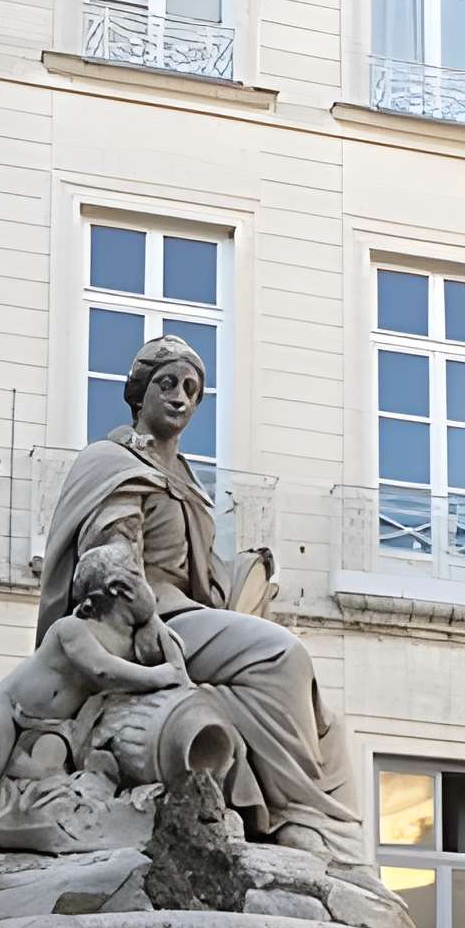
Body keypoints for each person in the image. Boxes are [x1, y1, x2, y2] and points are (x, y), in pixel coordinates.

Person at [36, 334, 367, 865]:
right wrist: (140, 610)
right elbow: (108, 560)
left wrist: (245, 576)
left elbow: (201, 575)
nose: (180, 397)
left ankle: (315, 826)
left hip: (189, 614)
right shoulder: (111, 462)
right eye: (167, 384)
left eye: (192, 388)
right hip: (144, 624)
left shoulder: (187, 478)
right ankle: (297, 817)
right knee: (283, 656)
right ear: (139, 393)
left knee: (325, 717)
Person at [0, 541, 186, 852]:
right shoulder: (71, 629)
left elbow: (176, 653)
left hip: (59, 725)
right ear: (120, 588)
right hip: (11, 708)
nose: (152, 590)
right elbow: (102, 670)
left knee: (50, 776)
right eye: (140, 575)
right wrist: (163, 674)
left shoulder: (130, 640)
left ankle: (53, 826)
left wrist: (154, 622)